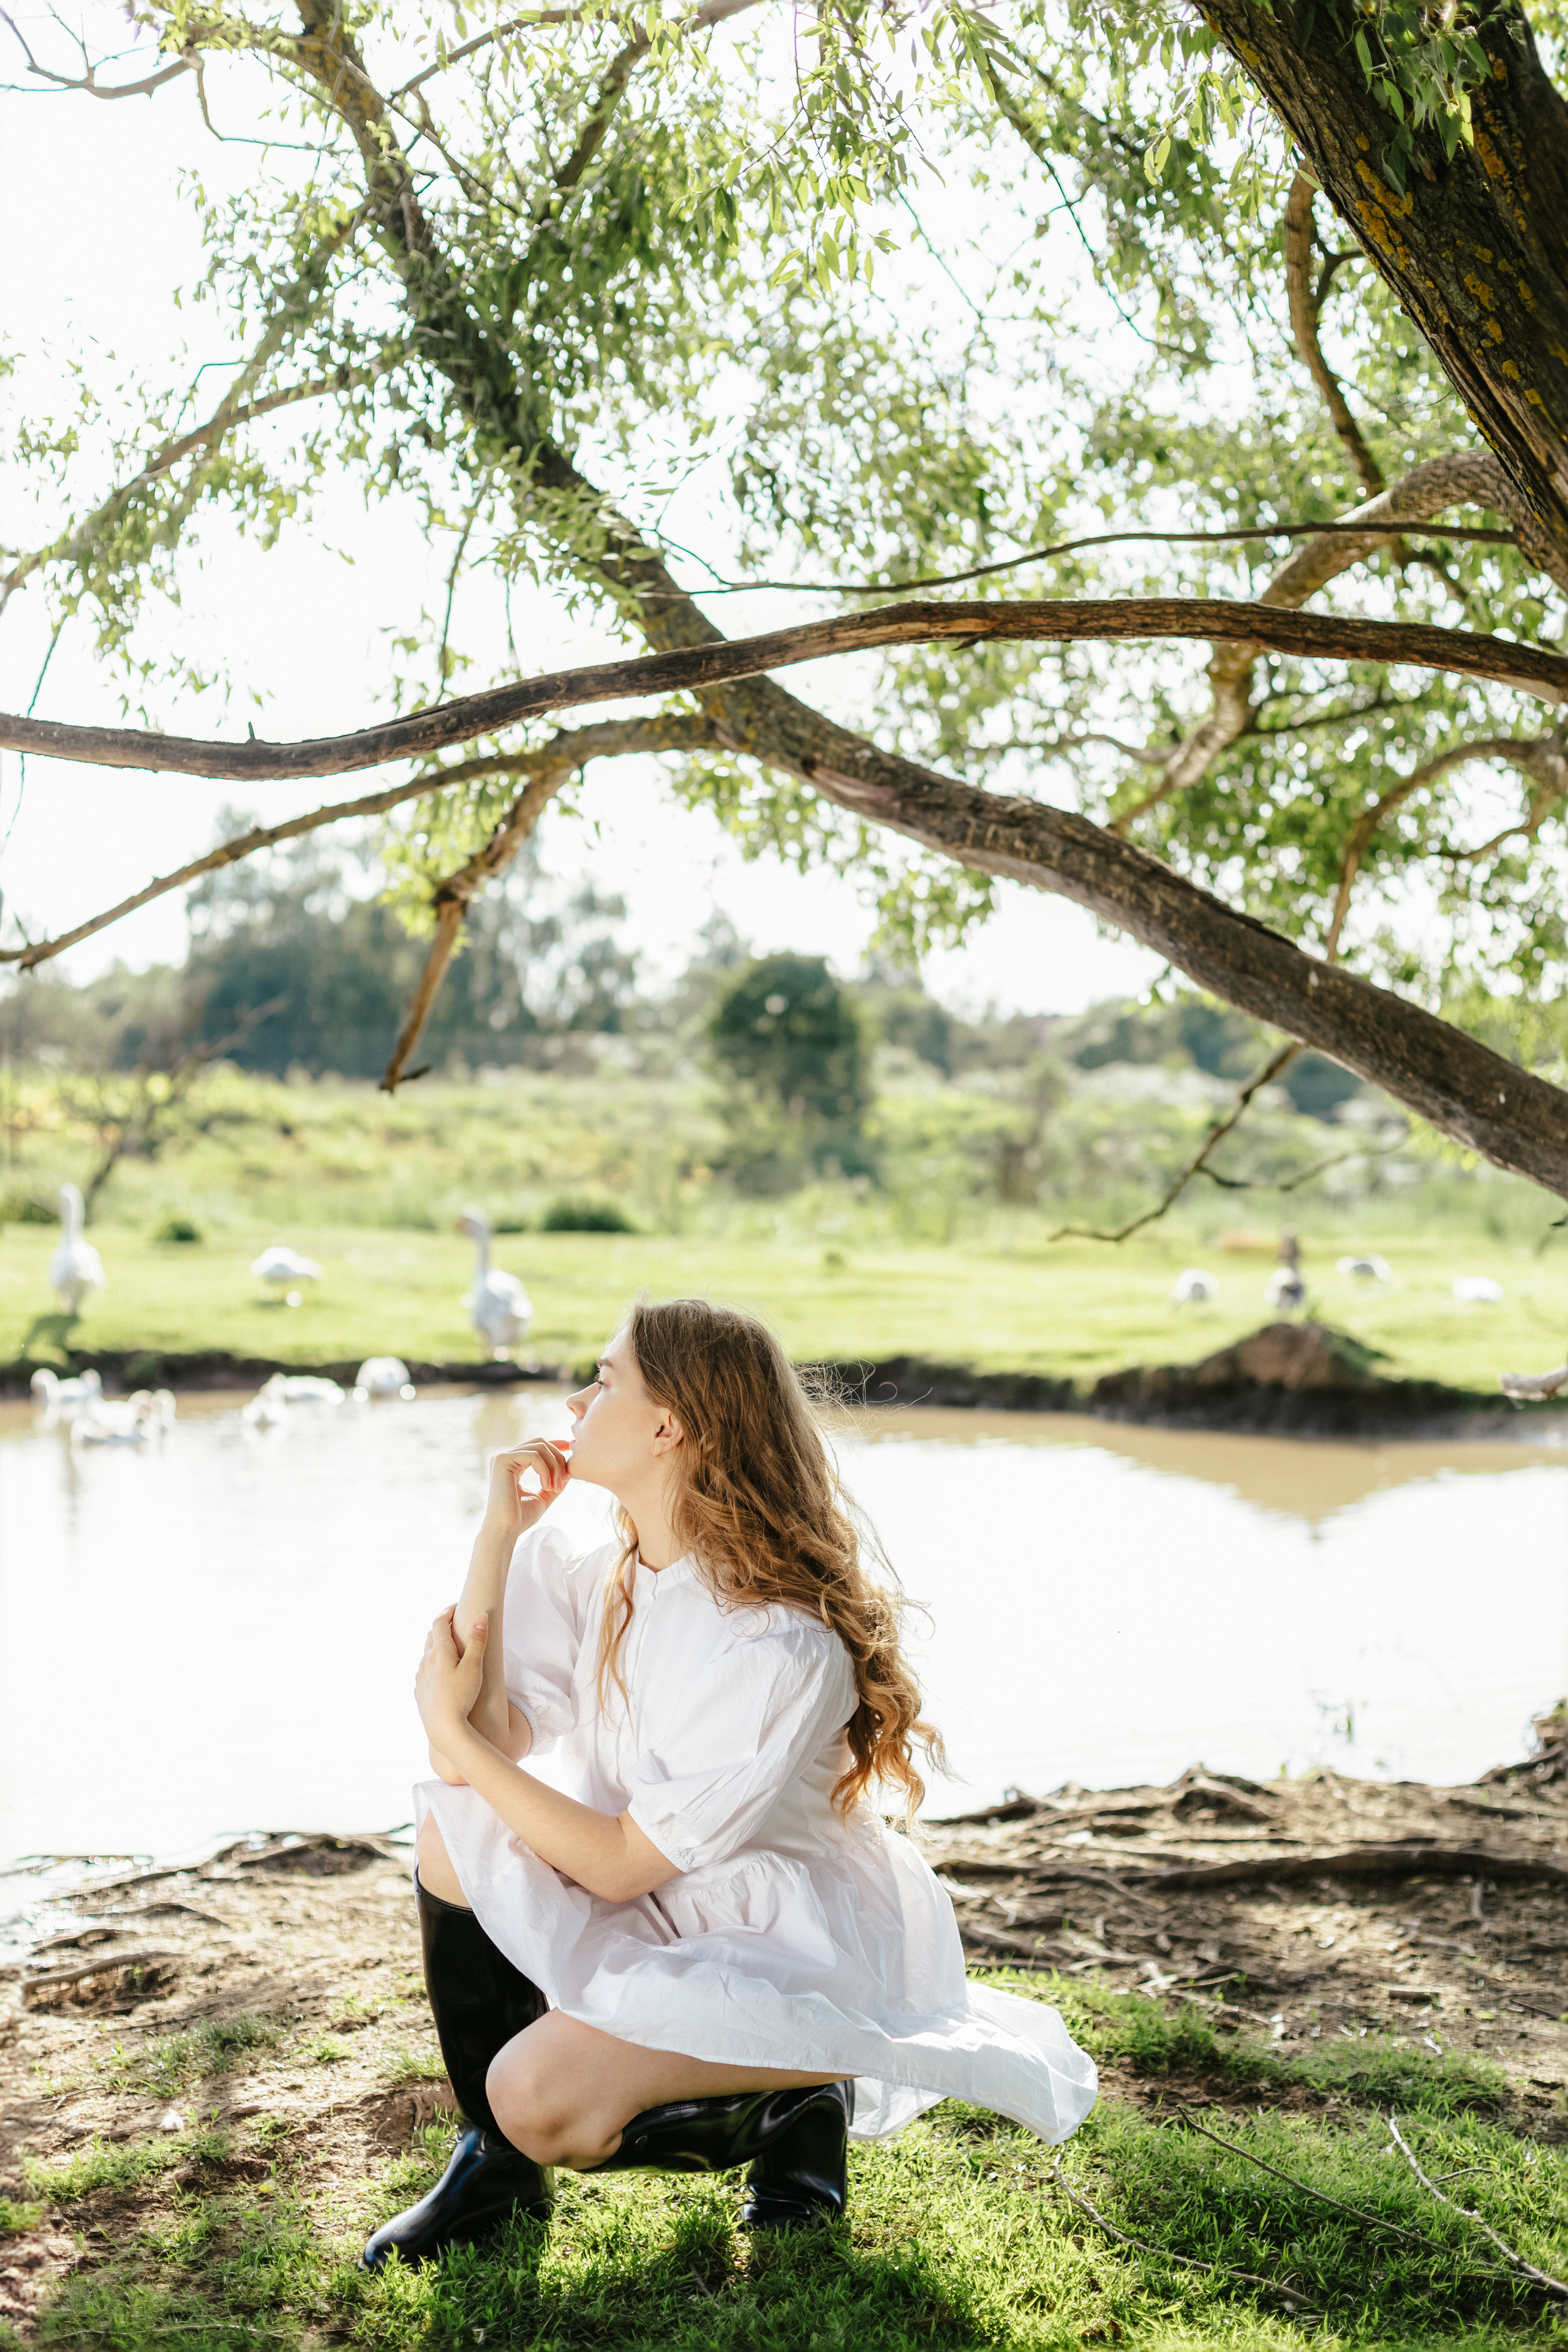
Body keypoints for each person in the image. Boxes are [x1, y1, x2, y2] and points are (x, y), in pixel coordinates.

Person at [364, 1297, 1096, 2269]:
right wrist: (498, 1537)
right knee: (450, 1826)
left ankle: (800, 2093)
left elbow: (618, 1862)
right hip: (660, 1896)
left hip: (777, 1937)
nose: (579, 1399)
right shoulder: (607, 1570)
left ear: (669, 1426)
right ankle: (493, 2176)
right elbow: (475, 1749)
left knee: (541, 2100)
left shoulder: (779, 1641)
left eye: (607, 1378)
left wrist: (454, 1731)